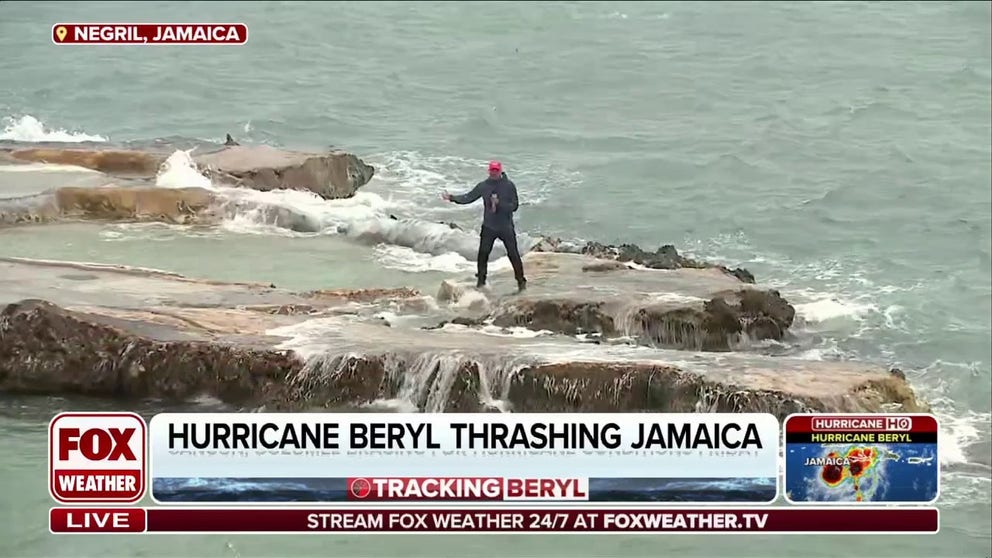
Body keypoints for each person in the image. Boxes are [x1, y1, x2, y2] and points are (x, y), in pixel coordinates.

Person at [442, 160, 527, 291]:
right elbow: (468, 197)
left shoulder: (509, 186)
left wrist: (499, 204)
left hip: (505, 226)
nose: (494, 173)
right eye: (492, 171)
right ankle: (481, 281)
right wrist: (452, 198)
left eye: (496, 171)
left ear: (500, 171)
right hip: (489, 226)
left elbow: (514, 206)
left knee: (513, 254)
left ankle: (521, 281)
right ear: (489, 171)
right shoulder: (484, 186)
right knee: (483, 254)